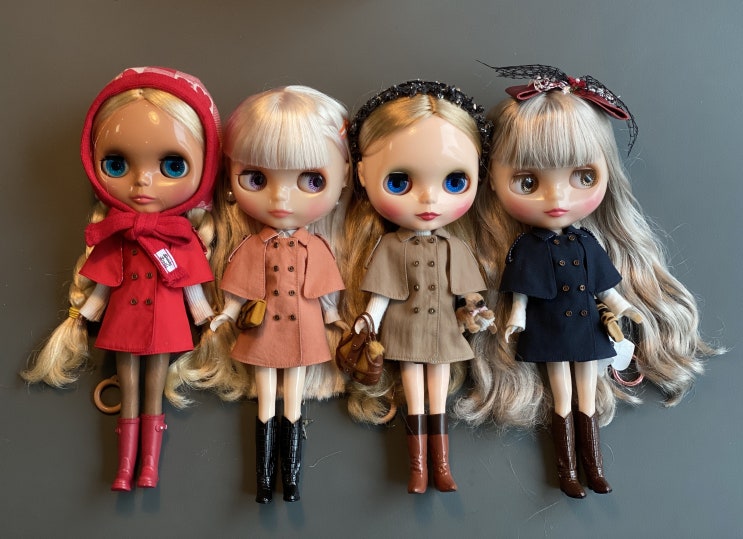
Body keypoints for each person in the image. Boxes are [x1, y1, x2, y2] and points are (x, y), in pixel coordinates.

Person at [463, 64, 719, 497]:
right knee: (561, 396)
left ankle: (594, 467)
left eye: (583, 177)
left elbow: (606, 288)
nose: (557, 198)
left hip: (588, 327)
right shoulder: (527, 247)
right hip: (548, 330)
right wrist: (516, 318)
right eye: (528, 181)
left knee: (586, 393)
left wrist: (625, 307)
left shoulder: (588, 242)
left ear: (607, 174)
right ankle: (567, 471)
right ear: (493, 181)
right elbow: (520, 293)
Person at [22, 67, 222, 491]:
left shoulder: (180, 236)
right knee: (129, 386)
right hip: (124, 319)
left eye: (172, 165)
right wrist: (83, 315)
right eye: (117, 164)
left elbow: (190, 286)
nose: (142, 181)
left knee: (154, 386)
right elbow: (103, 284)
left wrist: (206, 319)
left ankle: (148, 466)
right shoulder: (115, 235)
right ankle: (123, 465)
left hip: (166, 321)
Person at [170, 86, 350, 503]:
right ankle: (264, 480)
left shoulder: (316, 246)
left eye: (311, 180)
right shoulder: (253, 246)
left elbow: (325, 293)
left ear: (345, 175)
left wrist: (334, 318)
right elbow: (240, 289)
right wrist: (226, 312)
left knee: (294, 403)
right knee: (266, 401)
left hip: (304, 328)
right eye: (257, 179)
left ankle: (292, 478)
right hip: (263, 328)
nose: (280, 198)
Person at [343, 80, 491, 493]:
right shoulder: (390, 245)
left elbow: (469, 292)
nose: (429, 200)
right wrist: (368, 319)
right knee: (414, 397)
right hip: (405, 329)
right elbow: (381, 293)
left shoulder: (455, 245)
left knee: (438, 399)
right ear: (362, 175)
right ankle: (418, 467)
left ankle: (441, 466)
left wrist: (477, 309)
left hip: (444, 329)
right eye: (399, 182)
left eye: (454, 182)